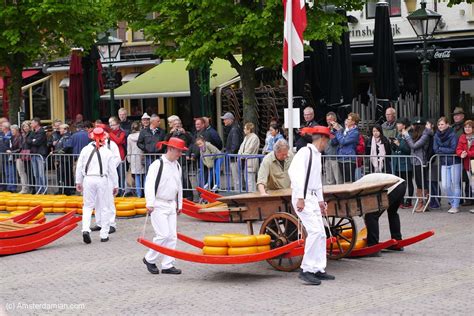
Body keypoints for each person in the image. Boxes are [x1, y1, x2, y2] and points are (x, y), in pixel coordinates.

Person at [288, 126, 335, 285]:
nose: (327, 144)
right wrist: (300, 197)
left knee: (321, 233)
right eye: (327, 141)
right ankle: (307, 269)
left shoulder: (316, 155)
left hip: (312, 197)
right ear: (322, 139)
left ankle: (318, 268)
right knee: (315, 231)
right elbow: (295, 175)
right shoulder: (304, 153)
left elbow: (317, 181)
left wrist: (321, 201)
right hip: (304, 197)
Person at [143, 137, 187, 275]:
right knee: (163, 234)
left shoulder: (177, 165)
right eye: (179, 151)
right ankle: (149, 258)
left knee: (172, 236)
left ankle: (167, 264)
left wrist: (180, 204)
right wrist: (150, 203)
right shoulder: (157, 165)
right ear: (171, 149)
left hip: (170, 203)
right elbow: (149, 185)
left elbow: (179, 186)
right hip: (158, 203)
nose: (180, 154)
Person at [75, 127, 118, 244]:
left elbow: (79, 166)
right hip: (102, 178)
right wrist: (115, 184)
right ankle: (104, 234)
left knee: (88, 206)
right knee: (104, 207)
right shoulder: (107, 152)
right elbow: (112, 171)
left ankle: (85, 229)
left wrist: (78, 181)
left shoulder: (85, 149)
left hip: (88, 178)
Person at [358, 173, 405, 250]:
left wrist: (366, 219)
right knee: (392, 213)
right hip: (401, 183)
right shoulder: (363, 181)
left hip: (393, 186)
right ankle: (397, 239)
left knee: (371, 215)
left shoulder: (358, 187)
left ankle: (373, 245)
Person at [402, 117, 431, 212]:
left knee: (422, 182)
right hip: (415, 161)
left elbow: (414, 146)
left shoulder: (425, 134)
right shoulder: (416, 134)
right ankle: (420, 202)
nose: (413, 127)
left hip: (421, 161)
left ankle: (424, 203)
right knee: (418, 182)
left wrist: (406, 136)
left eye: (415, 125)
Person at [434, 117, 462, 214]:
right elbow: (435, 149)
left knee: (455, 184)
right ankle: (453, 202)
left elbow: (454, 149)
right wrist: (443, 149)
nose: (440, 126)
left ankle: (455, 206)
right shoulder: (436, 135)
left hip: (455, 162)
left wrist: (441, 149)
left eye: (442, 124)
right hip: (444, 162)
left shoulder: (452, 134)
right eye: (439, 125)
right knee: (445, 185)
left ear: (447, 124)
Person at [391, 118, 414, 208]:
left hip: (406, 163)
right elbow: (396, 148)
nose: (397, 125)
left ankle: (409, 201)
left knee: (408, 182)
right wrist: (393, 144)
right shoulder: (398, 134)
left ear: (404, 125)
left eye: (399, 124)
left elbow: (408, 149)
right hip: (398, 162)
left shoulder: (408, 134)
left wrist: (398, 144)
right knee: (399, 183)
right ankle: (401, 200)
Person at [331, 112, 360, 183]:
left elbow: (343, 141)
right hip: (341, 157)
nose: (347, 120)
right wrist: (334, 131)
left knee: (349, 181)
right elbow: (334, 142)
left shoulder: (355, 132)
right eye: (347, 118)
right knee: (344, 181)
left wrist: (338, 131)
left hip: (349, 158)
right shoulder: (344, 130)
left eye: (349, 119)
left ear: (353, 122)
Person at [221, 112, 243, 191]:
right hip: (234, 157)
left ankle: (238, 195)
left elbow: (235, 144)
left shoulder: (234, 129)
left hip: (234, 158)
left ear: (230, 120)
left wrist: (229, 154)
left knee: (236, 178)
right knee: (237, 178)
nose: (224, 121)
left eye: (225, 119)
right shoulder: (234, 128)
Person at [456, 120, 474, 213]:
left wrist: (467, 153)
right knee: (472, 184)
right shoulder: (462, 137)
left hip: (473, 162)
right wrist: (460, 153)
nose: (467, 128)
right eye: (466, 127)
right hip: (468, 164)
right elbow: (458, 148)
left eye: (469, 127)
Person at [26, 118, 48, 194]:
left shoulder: (42, 132)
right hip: (33, 154)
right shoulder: (32, 132)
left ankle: (44, 190)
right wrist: (33, 140)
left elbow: (38, 142)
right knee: (36, 174)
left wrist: (32, 141)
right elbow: (27, 140)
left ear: (36, 123)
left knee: (41, 173)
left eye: (32, 123)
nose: (31, 125)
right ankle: (38, 189)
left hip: (40, 154)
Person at [238, 123, 260, 192]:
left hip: (251, 161)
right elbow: (241, 148)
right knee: (246, 179)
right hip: (245, 161)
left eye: (245, 128)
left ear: (249, 129)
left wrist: (242, 156)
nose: (244, 130)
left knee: (250, 180)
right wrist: (240, 155)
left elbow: (250, 149)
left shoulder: (254, 138)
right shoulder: (246, 137)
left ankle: (253, 195)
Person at [54, 124, 74, 195]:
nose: (59, 130)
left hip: (65, 160)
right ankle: (61, 189)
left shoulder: (67, 137)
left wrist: (54, 152)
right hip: (61, 159)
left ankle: (67, 190)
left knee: (65, 175)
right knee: (61, 175)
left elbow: (66, 148)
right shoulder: (62, 137)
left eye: (61, 129)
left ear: (65, 129)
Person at [127, 121, 145, 198]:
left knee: (137, 176)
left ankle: (138, 193)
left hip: (134, 158)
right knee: (144, 176)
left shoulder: (129, 137)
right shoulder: (143, 135)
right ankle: (145, 192)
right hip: (142, 156)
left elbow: (129, 149)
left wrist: (129, 159)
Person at [324, 112, 342, 185]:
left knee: (338, 179)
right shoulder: (326, 129)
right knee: (329, 180)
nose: (329, 121)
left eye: (330, 119)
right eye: (327, 120)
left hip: (335, 157)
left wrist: (333, 131)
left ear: (335, 119)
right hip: (327, 157)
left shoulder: (339, 128)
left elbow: (335, 142)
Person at [10, 124, 28, 194]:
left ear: (16, 130)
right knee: (20, 173)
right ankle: (24, 188)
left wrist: (12, 152)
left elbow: (20, 148)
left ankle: (24, 188)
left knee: (21, 172)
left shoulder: (20, 137)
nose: (12, 131)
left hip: (20, 157)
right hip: (17, 156)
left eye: (13, 130)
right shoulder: (13, 137)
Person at [1, 121, 15, 192]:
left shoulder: (11, 134)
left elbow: (12, 145)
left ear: (6, 128)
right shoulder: (1, 134)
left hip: (9, 156)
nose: (1, 127)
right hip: (2, 157)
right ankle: (5, 186)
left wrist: (9, 150)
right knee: (4, 172)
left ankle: (11, 187)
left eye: (2, 126)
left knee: (10, 172)